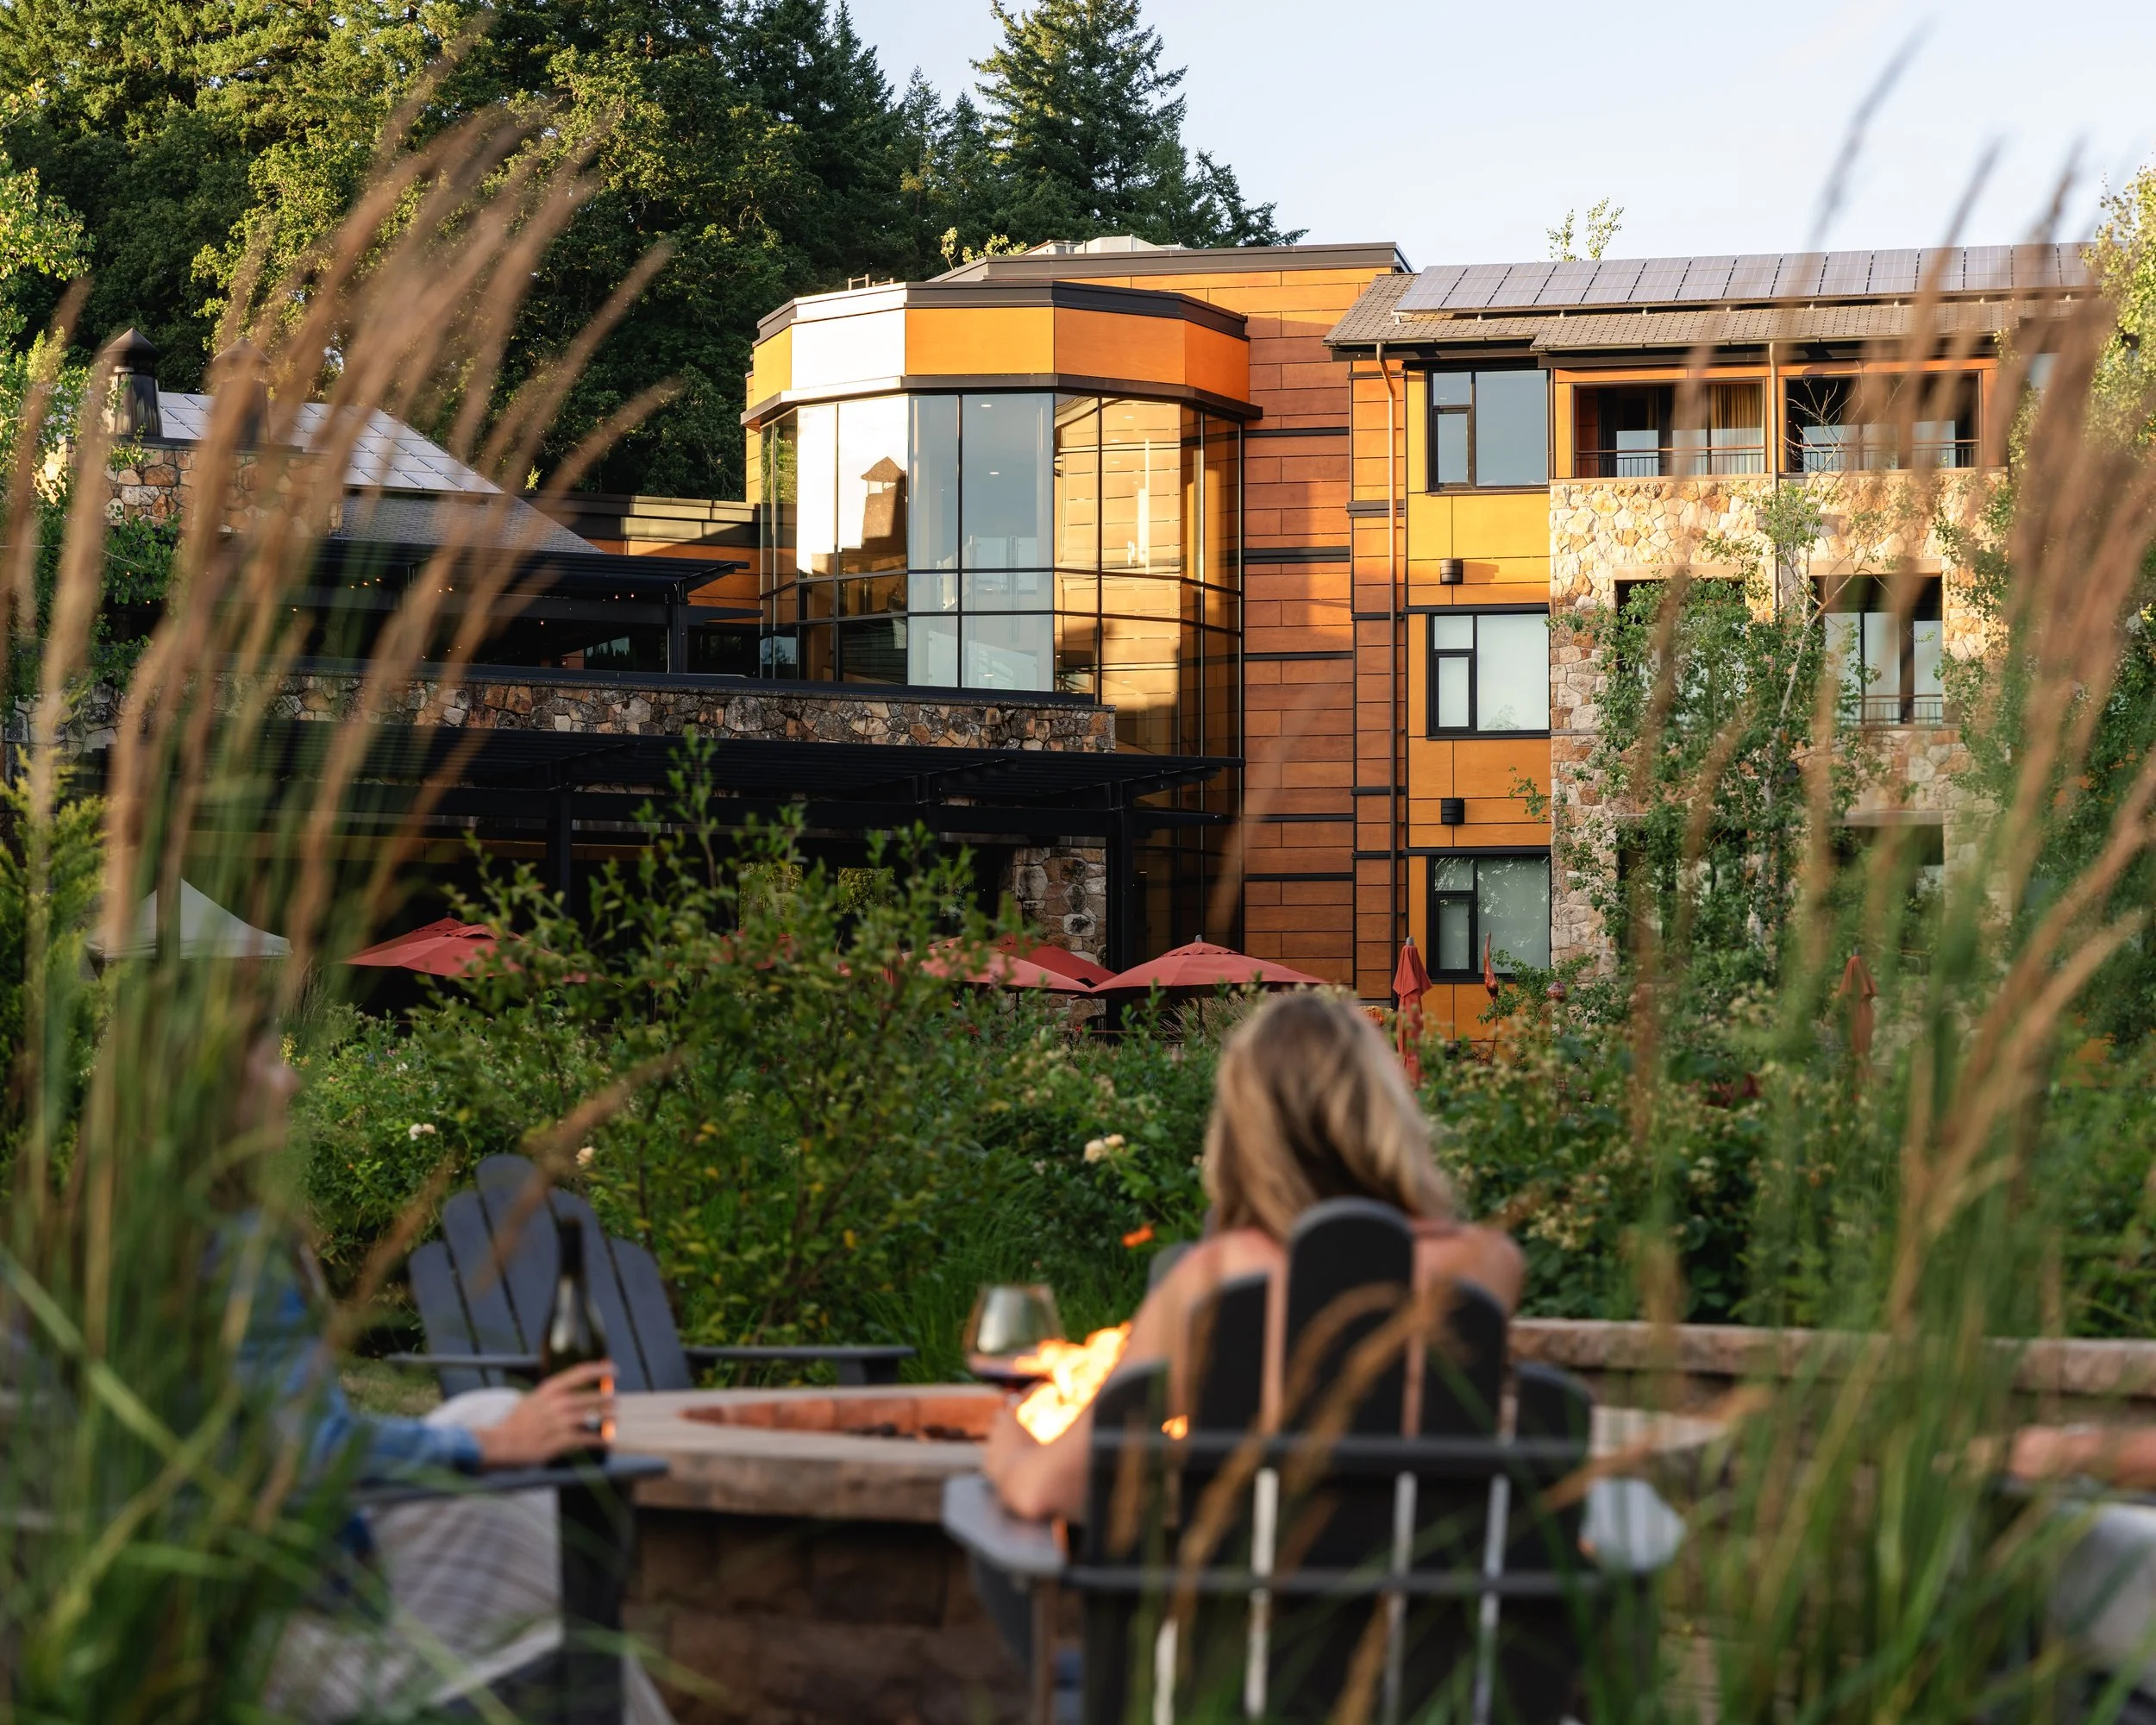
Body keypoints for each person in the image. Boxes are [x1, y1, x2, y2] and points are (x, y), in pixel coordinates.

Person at [983, 991, 1525, 1523]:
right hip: (1427, 1603)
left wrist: (1010, 1442)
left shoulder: (1214, 1276)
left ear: (1246, 1129)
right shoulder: (1489, 1264)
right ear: (1386, 1112)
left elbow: (1050, 1490)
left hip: (1250, 1604)